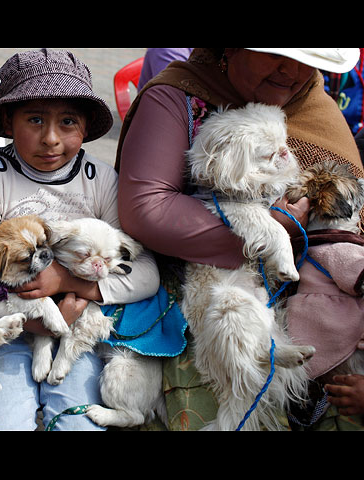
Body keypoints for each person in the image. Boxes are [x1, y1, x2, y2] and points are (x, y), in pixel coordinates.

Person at [116, 48, 364, 431]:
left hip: (326, 305)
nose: (292, 69)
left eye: (306, 59)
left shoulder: (315, 105)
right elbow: (147, 209)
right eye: (273, 53)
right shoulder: (176, 98)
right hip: (204, 298)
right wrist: (267, 231)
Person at [0, 49, 161, 430]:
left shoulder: (99, 179)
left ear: (85, 128)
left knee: (76, 422)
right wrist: (33, 323)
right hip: (7, 331)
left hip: (79, 337)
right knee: (3, 423)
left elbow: (146, 273)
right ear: (9, 123)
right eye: (34, 120)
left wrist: (69, 282)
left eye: (67, 122)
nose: (50, 139)